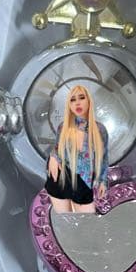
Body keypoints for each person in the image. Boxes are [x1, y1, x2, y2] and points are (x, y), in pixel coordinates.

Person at [45, 84, 108, 213]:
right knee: (64, 220)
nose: (77, 103)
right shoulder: (63, 127)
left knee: (87, 222)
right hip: (61, 178)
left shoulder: (99, 130)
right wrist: (53, 157)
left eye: (81, 98)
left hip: (84, 182)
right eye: (72, 100)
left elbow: (104, 157)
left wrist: (103, 181)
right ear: (69, 105)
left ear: (89, 100)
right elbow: (57, 148)